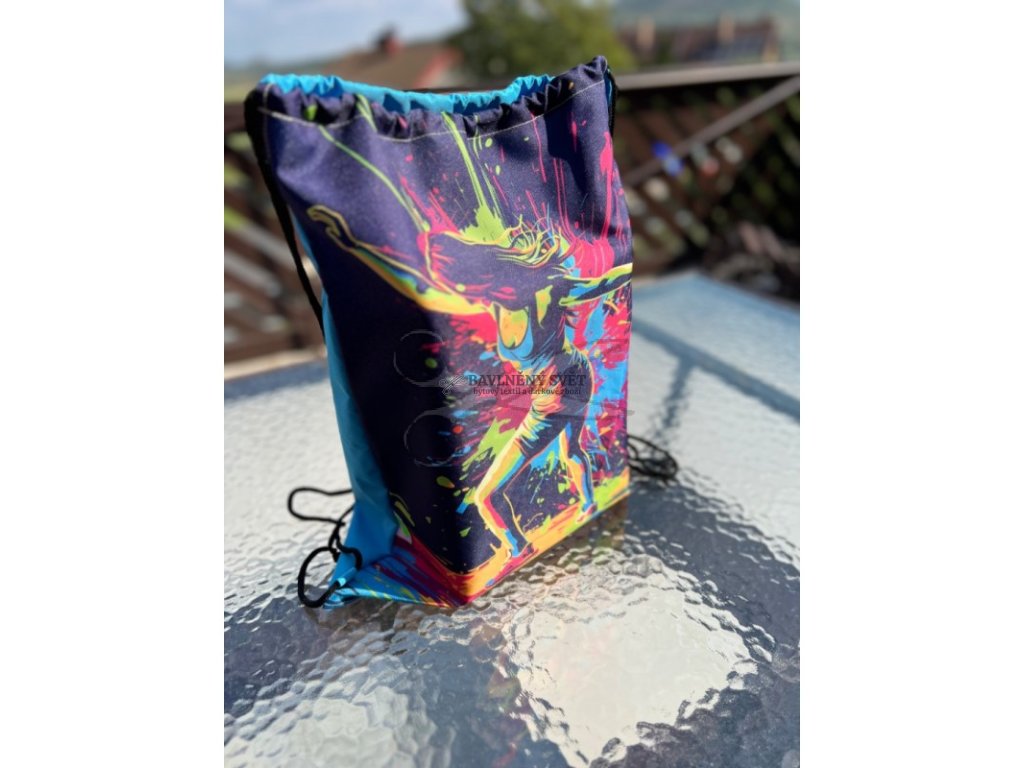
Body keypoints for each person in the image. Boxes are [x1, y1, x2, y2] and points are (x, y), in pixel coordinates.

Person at [308, 205, 630, 559]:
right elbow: (416, 281)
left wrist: (627, 255)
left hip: (558, 392)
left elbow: (601, 283)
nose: (460, 287)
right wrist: (351, 242)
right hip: (567, 378)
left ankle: (518, 548)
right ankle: (588, 505)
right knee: (571, 449)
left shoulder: (547, 288)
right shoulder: (498, 298)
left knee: (487, 496)